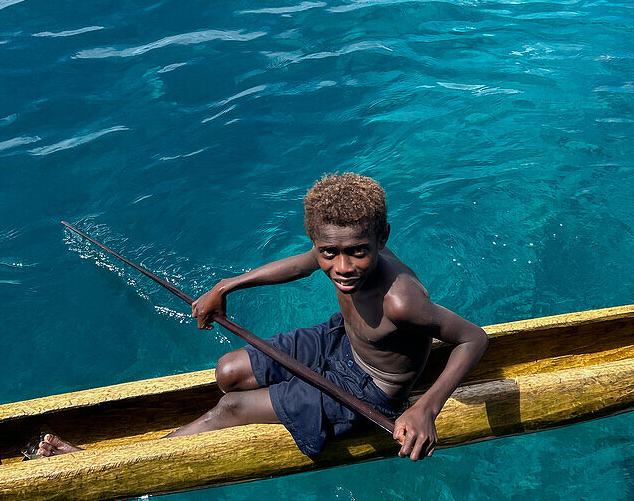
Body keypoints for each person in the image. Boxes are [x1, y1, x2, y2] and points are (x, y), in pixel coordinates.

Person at [166, 172, 488, 460]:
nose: (343, 268)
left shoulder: (401, 302)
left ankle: (164, 453)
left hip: (369, 389)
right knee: (228, 371)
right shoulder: (338, 246)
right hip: (339, 340)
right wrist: (226, 287)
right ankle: (287, 395)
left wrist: (426, 409)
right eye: (329, 252)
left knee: (231, 407)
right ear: (318, 244)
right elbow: (299, 265)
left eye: (358, 251)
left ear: (382, 238)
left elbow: (473, 338)